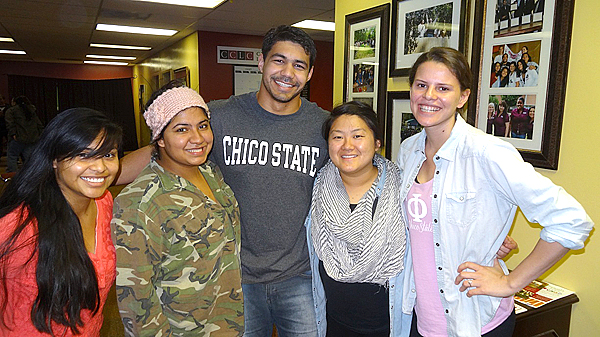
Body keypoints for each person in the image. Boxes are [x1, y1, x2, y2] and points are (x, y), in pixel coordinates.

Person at [118, 25, 329, 336]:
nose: (287, 72)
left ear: (309, 74)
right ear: (260, 63)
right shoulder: (218, 117)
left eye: (299, 65)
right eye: (278, 60)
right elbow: (161, 147)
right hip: (233, 279)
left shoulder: (322, 126)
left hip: (299, 276)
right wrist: (93, 175)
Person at [395, 47, 593, 336]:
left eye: (443, 88)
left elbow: (571, 221)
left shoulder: (487, 153)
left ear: (463, 96)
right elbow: (423, 225)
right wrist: (484, 233)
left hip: (473, 319)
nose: (429, 96)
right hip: (419, 315)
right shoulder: (408, 150)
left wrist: (510, 283)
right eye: (422, 85)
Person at [112, 82, 244, 336]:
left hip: (227, 322)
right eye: (181, 129)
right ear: (159, 139)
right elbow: (137, 301)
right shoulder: (141, 202)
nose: (197, 138)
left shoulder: (211, 174)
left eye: (202, 126)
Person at [0, 108, 122, 336]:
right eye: (84, 155)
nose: (100, 167)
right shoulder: (20, 224)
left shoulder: (104, 203)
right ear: (54, 160)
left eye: (108, 154)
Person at [306, 101, 405, 336]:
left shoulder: (403, 190)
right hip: (332, 323)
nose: (347, 146)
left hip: (389, 325)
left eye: (358, 136)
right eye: (337, 137)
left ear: (377, 142)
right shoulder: (317, 187)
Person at [5, 95, 44, 172]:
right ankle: (30, 175)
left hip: (18, 138)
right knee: (29, 159)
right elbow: (39, 124)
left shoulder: (11, 111)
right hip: (32, 138)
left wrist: (13, 134)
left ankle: (12, 176)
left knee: (12, 157)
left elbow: (10, 124)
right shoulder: (31, 111)